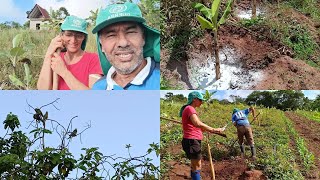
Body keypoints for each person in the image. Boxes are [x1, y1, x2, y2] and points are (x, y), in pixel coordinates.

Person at [91, 2, 160, 90]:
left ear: (143, 38)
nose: (123, 43)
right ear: (102, 46)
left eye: (130, 32)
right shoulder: (98, 87)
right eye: (111, 35)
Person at [37, 15, 103, 90]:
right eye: (69, 35)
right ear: (61, 35)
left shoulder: (93, 59)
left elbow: (94, 98)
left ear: (84, 37)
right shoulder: (56, 58)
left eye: (79, 36)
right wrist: (49, 54)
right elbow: (42, 90)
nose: (73, 40)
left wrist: (64, 72)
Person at [179, 91, 225, 180]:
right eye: (200, 100)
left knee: (194, 164)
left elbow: (195, 126)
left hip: (191, 140)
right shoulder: (190, 108)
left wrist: (207, 130)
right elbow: (197, 123)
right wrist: (213, 129)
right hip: (192, 140)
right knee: (197, 165)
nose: (201, 102)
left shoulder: (189, 109)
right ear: (194, 99)